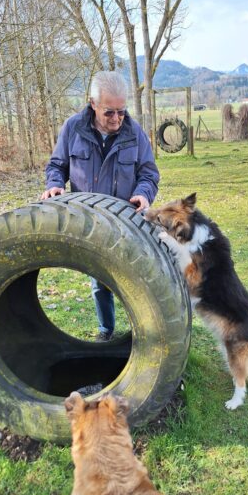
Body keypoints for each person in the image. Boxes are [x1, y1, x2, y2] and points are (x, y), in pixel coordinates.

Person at [42, 71, 159, 341]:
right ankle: (106, 331)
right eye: (109, 112)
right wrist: (55, 184)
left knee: (136, 280)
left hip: (128, 222)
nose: (116, 119)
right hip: (90, 222)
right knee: (100, 282)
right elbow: (57, 166)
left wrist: (143, 194)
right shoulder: (73, 128)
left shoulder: (135, 133)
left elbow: (149, 174)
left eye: (121, 111)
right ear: (93, 103)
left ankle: (146, 334)